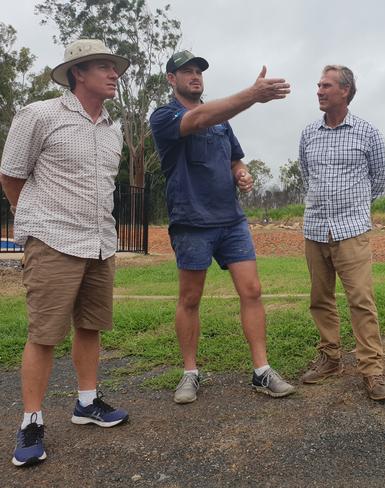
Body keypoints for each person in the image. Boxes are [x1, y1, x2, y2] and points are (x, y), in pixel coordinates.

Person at [0, 39, 130, 467]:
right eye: (104, 67)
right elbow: (11, 175)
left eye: (115, 67)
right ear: (78, 73)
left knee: (90, 325)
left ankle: (87, 402)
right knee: (44, 334)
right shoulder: (39, 114)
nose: (114, 73)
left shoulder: (114, 128)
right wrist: (37, 222)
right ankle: (32, 421)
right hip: (53, 241)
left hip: (99, 242)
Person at [149, 50, 295, 403]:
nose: (195, 76)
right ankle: (189, 373)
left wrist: (241, 173)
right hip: (192, 221)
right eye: (186, 71)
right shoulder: (165, 115)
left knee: (252, 290)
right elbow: (197, 119)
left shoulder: (222, 120)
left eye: (198, 71)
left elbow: (234, 158)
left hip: (231, 221)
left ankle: (261, 371)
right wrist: (252, 94)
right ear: (171, 79)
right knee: (190, 298)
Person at [298, 65, 385, 401]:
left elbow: (378, 181)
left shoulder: (368, 133)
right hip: (315, 229)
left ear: (346, 91)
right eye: (318, 85)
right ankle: (331, 358)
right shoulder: (309, 133)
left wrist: (352, 209)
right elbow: (306, 175)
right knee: (320, 299)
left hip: (351, 231)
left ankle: (372, 372)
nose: (319, 90)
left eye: (326, 85)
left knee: (361, 301)